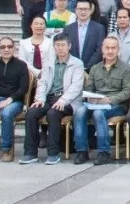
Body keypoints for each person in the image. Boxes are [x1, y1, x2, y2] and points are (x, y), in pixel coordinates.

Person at [20, 34, 83, 165]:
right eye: (57, 45)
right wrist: (40, 99)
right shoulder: (48, 63)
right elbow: (42, 83)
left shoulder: (77, 63)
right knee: (31, 112)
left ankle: (53, 153)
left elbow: (76, 87)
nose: (60, 48)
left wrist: (62, 101)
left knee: (53, 113)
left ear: (69, 46)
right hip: (49, 98)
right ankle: (30, 153)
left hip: (68, 100)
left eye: (63, 45)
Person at [72, 36, 130, 165]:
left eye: (113, 48)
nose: (110, 51)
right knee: (79, 111)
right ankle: (81, 151)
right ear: (102, 49)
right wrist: (90, 97)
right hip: (95, 102)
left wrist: (109, 99)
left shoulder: (126, 69)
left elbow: (127, 92)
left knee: (98, 113)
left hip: (116, 104)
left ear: (118, 50)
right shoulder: (95, 68)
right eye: (107, 48)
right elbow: (89, 88)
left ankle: (103, 152)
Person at [63, 0, 106, 68]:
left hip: (92, 69)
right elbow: (65, 49)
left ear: (91, 11)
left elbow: (99, 50)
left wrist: (87, 67)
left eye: (85, 9)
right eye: (80, 9)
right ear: (75, 10)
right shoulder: (68, 29)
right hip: (71, 68)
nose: (83, 12)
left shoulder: (99, 28)